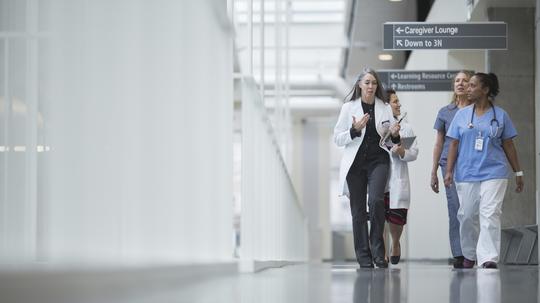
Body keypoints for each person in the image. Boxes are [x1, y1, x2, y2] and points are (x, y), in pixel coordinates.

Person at [444, 72, 524, 269]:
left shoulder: (501, 115)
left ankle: (488, 257)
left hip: (494, 172)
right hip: (467, 173)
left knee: (490, 213)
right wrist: (448, 172)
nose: (468, 89)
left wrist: (518, 172)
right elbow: (453, 144)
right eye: (468, 85)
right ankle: (469, 254)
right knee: (467, 215)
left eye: (472, 85)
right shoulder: (462, 115)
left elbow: (509, 145)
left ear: (485, 90)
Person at [333, 67, 400, 269]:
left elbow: (389, 141)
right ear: (360, 85)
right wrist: (354, 130)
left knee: (377, 201)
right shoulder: (348, 108)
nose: (371, 86)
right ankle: (363, 255)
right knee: (358, 212)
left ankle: (379, 253)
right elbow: (337, 138)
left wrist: (395, 135)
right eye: (367, 82)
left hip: (378, 161)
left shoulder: (385, 107)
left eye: (374, 83)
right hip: (355, 165)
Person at [430, 70, 474, 268]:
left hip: (473, 164)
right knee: (455, 208)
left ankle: (473, 251)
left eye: (465, 81)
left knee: (472, 209)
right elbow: (439, 142)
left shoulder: (477, 110)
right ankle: (459, 253)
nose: (461, 84)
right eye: (457, 81)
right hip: (448, 164)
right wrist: (433, 171)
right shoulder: (445, 112)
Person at [384, 89, 418, 265]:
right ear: (385, 105)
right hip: (381, 178)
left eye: (398, 101)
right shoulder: (377, 126)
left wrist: (402, 150)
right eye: (395, 101)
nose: (399, 105)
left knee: (396, 217)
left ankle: (395, 243)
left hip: (397, 179)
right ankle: (381, 249)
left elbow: (413, 153)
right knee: (379, 216)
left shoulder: (406, 127)